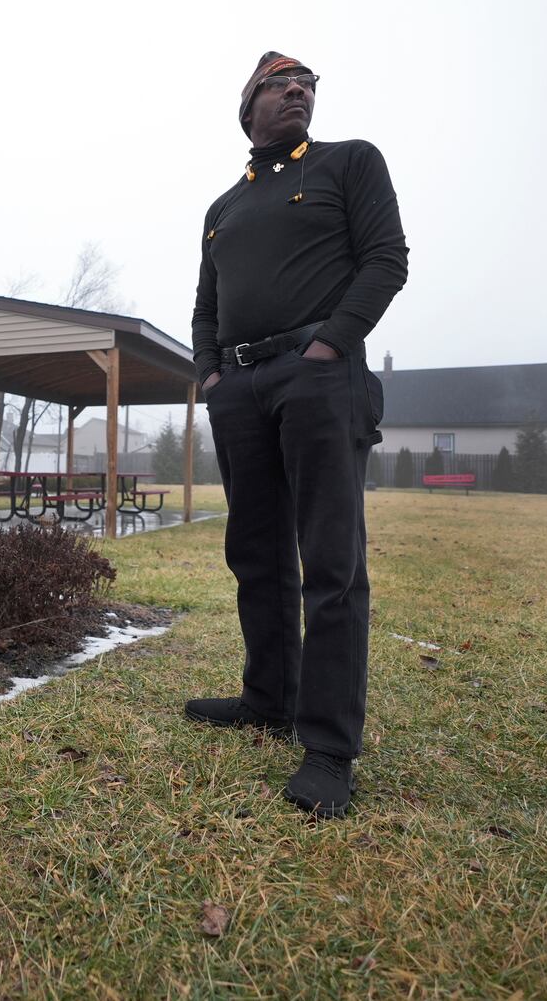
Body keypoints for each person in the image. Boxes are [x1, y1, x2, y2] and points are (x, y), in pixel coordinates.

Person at [186, 51, 409, 819]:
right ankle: (267, 698)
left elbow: (387, 260)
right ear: (248, 105)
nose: (298, 90)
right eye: (281, 83)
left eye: (307, 84)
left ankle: (328, 746)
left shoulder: (350, 164)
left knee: (331, 560)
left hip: (319, 375)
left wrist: (328, 347)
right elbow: (205, 307)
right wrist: (212, 377)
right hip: (241, 388)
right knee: (255, 551)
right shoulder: (223, 208)